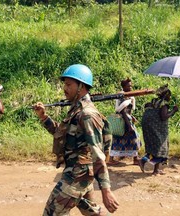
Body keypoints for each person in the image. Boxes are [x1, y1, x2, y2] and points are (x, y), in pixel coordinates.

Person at [33, 64, 119, 215]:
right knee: (91, 212)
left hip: (78, 174)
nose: (64, 88)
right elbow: (61, 134)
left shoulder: (87, 114)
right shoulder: (76, 110)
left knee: (52, 212)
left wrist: (106, 191)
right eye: (64, 84)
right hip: (78, 171)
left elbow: (98, 154)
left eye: (68, 84)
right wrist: (43, 117)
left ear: (81, 86)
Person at [139, 84, 178, 175]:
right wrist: (173, 111)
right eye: (169, 95)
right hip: (157, 128)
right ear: (165, 95)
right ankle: (143, 161)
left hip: (148, 126)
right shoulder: (163, 104)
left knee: (155, 147)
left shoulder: (154, 101)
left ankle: (156, 170)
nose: (170, 97)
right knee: (160, 147)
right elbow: (164, 117)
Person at [108, 78, 141, 165]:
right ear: (124, 87)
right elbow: (122, 111)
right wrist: (129, 125)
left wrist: (132, 117)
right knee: (132, 137)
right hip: (123, 120)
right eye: (128, 86)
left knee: (123, 139)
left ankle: (135, 158)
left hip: (128, 119)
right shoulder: (121, 95)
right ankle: (111, 159)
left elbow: (128, 110)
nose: (130, 87)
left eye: (131, 85)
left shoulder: (130, 95)